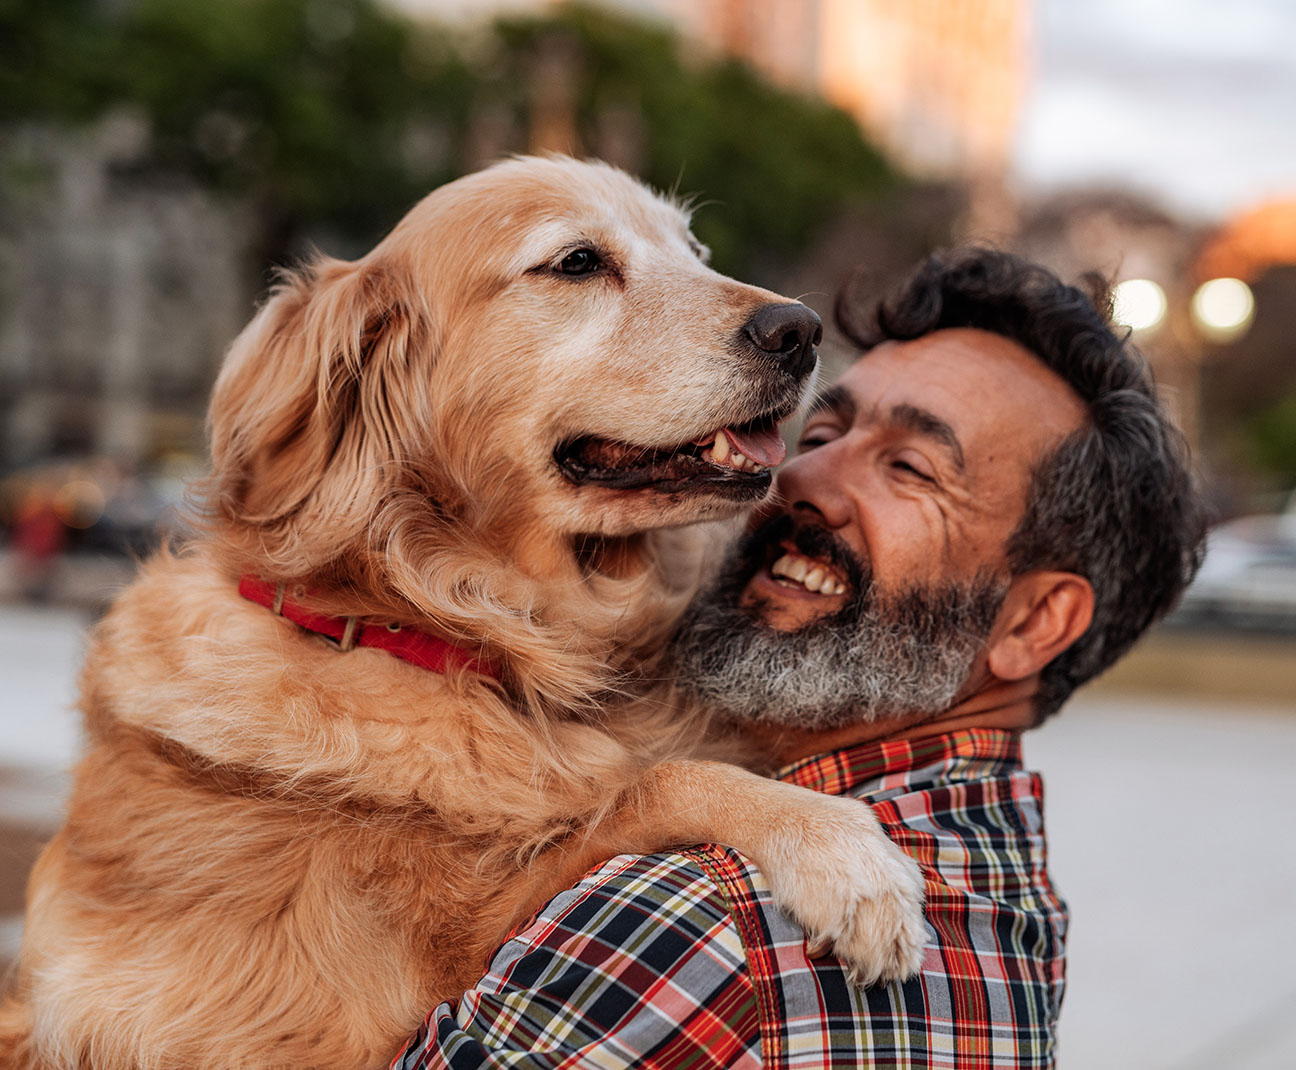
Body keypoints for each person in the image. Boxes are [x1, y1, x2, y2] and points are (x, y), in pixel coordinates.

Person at [391, 247, 1207, 1069]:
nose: (800, 476)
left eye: (910, 467)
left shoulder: (708, 923)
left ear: (1036, 621)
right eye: (820, 430)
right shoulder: (1004, 900)